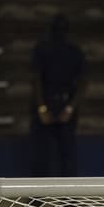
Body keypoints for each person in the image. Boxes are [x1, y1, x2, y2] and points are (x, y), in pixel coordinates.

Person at [30, 14, 86, 176]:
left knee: (66, 157)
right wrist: (42, 108)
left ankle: (67, 200)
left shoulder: (74, 52)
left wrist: (69, 109)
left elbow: (83, 81)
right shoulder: (42, 49)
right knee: (42, 156)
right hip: (51, 104)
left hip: (61, 104)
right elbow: (36, 79)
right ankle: (37, 199)